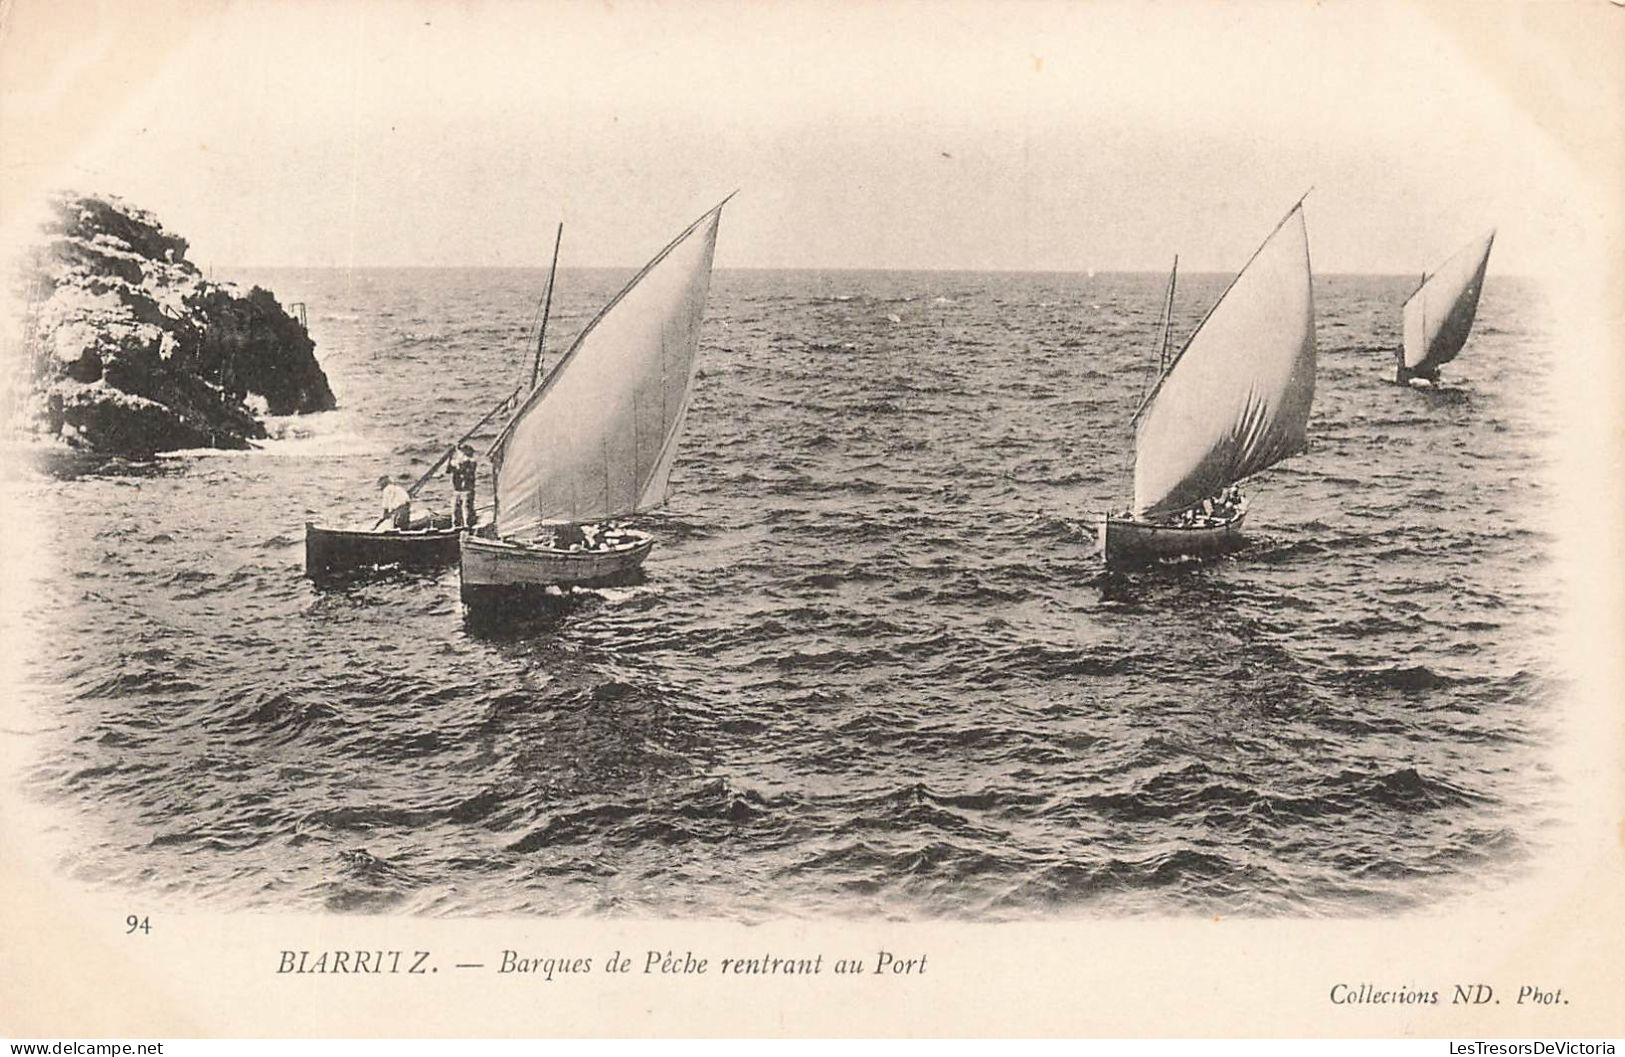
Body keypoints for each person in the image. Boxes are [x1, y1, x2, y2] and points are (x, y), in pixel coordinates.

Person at [445, 443, 479, 528]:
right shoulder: (458, 461)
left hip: (467, 491)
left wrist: (456, 454)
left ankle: (468, 528)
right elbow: (448, 470)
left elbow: (462, 465)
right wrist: (450, 457)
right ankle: (456, 528)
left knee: (467, 512)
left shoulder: (471, 461)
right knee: (455, 512)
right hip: (457, 491)